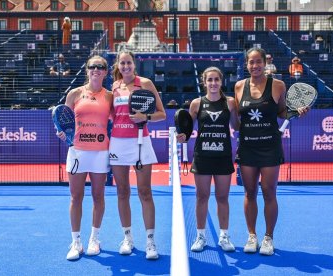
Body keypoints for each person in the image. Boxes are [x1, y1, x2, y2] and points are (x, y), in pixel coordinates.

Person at [235, 48, 309, 256]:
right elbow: (239, 116)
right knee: (249, 192)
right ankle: (251, 236)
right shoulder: (239, 86)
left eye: (259, 61)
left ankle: (268, 238)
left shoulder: (278, 85)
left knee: (269, 193)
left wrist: (297, 111)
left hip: (270, 147)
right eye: (251, 62)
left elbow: (282, 112)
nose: (255, 66)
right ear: (246, 65)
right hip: (248, 146)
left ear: (265, 63)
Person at [109, 49, 166, 260]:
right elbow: (112, 116)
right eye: (122, 63)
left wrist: (145, 116)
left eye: (129, 63)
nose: (125, 67)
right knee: (122, 191)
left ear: (134, 64)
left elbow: (161, 113)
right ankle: (127, 238)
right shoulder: (114, 87)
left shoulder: (146, 83)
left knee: (145, 192)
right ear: (118, 65)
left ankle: (150, 241)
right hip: (117, 143)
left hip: (141, 142)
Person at [56, 55, 112, 261]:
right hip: (78, 151)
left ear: (106, 72)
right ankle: (76, 241)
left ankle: (94, 239)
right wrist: (61, 132)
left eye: (100, 67)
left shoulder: (109, 96)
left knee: (98, 196)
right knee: (76, 197)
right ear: (87, 70)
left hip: (100, 152)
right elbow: (64, 120)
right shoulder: (74, 94)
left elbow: (119, 119)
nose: (96, 70)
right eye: (92, 66)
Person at [176, 67, 239, 252]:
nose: (213, 83)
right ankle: (200, 236)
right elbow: (187, 130)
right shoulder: (196, 103)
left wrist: (238, 114)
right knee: (201, 197)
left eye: (216, 80)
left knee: (222, 197)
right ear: (204, 82)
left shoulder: (230, 103)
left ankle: (224, 236)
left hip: (223, 156)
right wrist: (182, 137)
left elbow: (236, 125)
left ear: (221, 81)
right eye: (209, 80)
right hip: (202, 156)